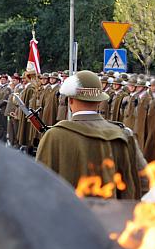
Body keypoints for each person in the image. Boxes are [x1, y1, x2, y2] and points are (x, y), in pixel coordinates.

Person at [36, 70, 145, 200]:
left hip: (68, 217)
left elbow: (39, 186)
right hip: (111, 217)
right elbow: (144, 181)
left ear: (70, 101)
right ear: (99, 101)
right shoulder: (124, 135)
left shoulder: (54, 136)